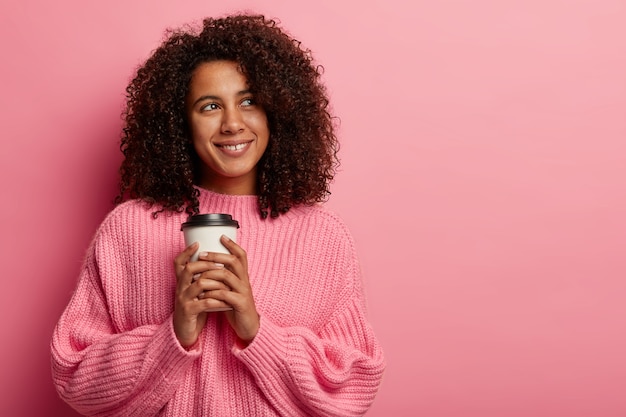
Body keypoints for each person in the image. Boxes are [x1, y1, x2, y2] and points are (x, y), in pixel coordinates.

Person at [51, 14, 385, 417]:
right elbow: (73, 374)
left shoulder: (322, 238)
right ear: (180, 124)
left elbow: (353, 387)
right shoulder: (129, 229)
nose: (232, 123)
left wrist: (255, 330)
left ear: (277, 111)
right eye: (210, 106)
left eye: (249, 101)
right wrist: (173, 335)